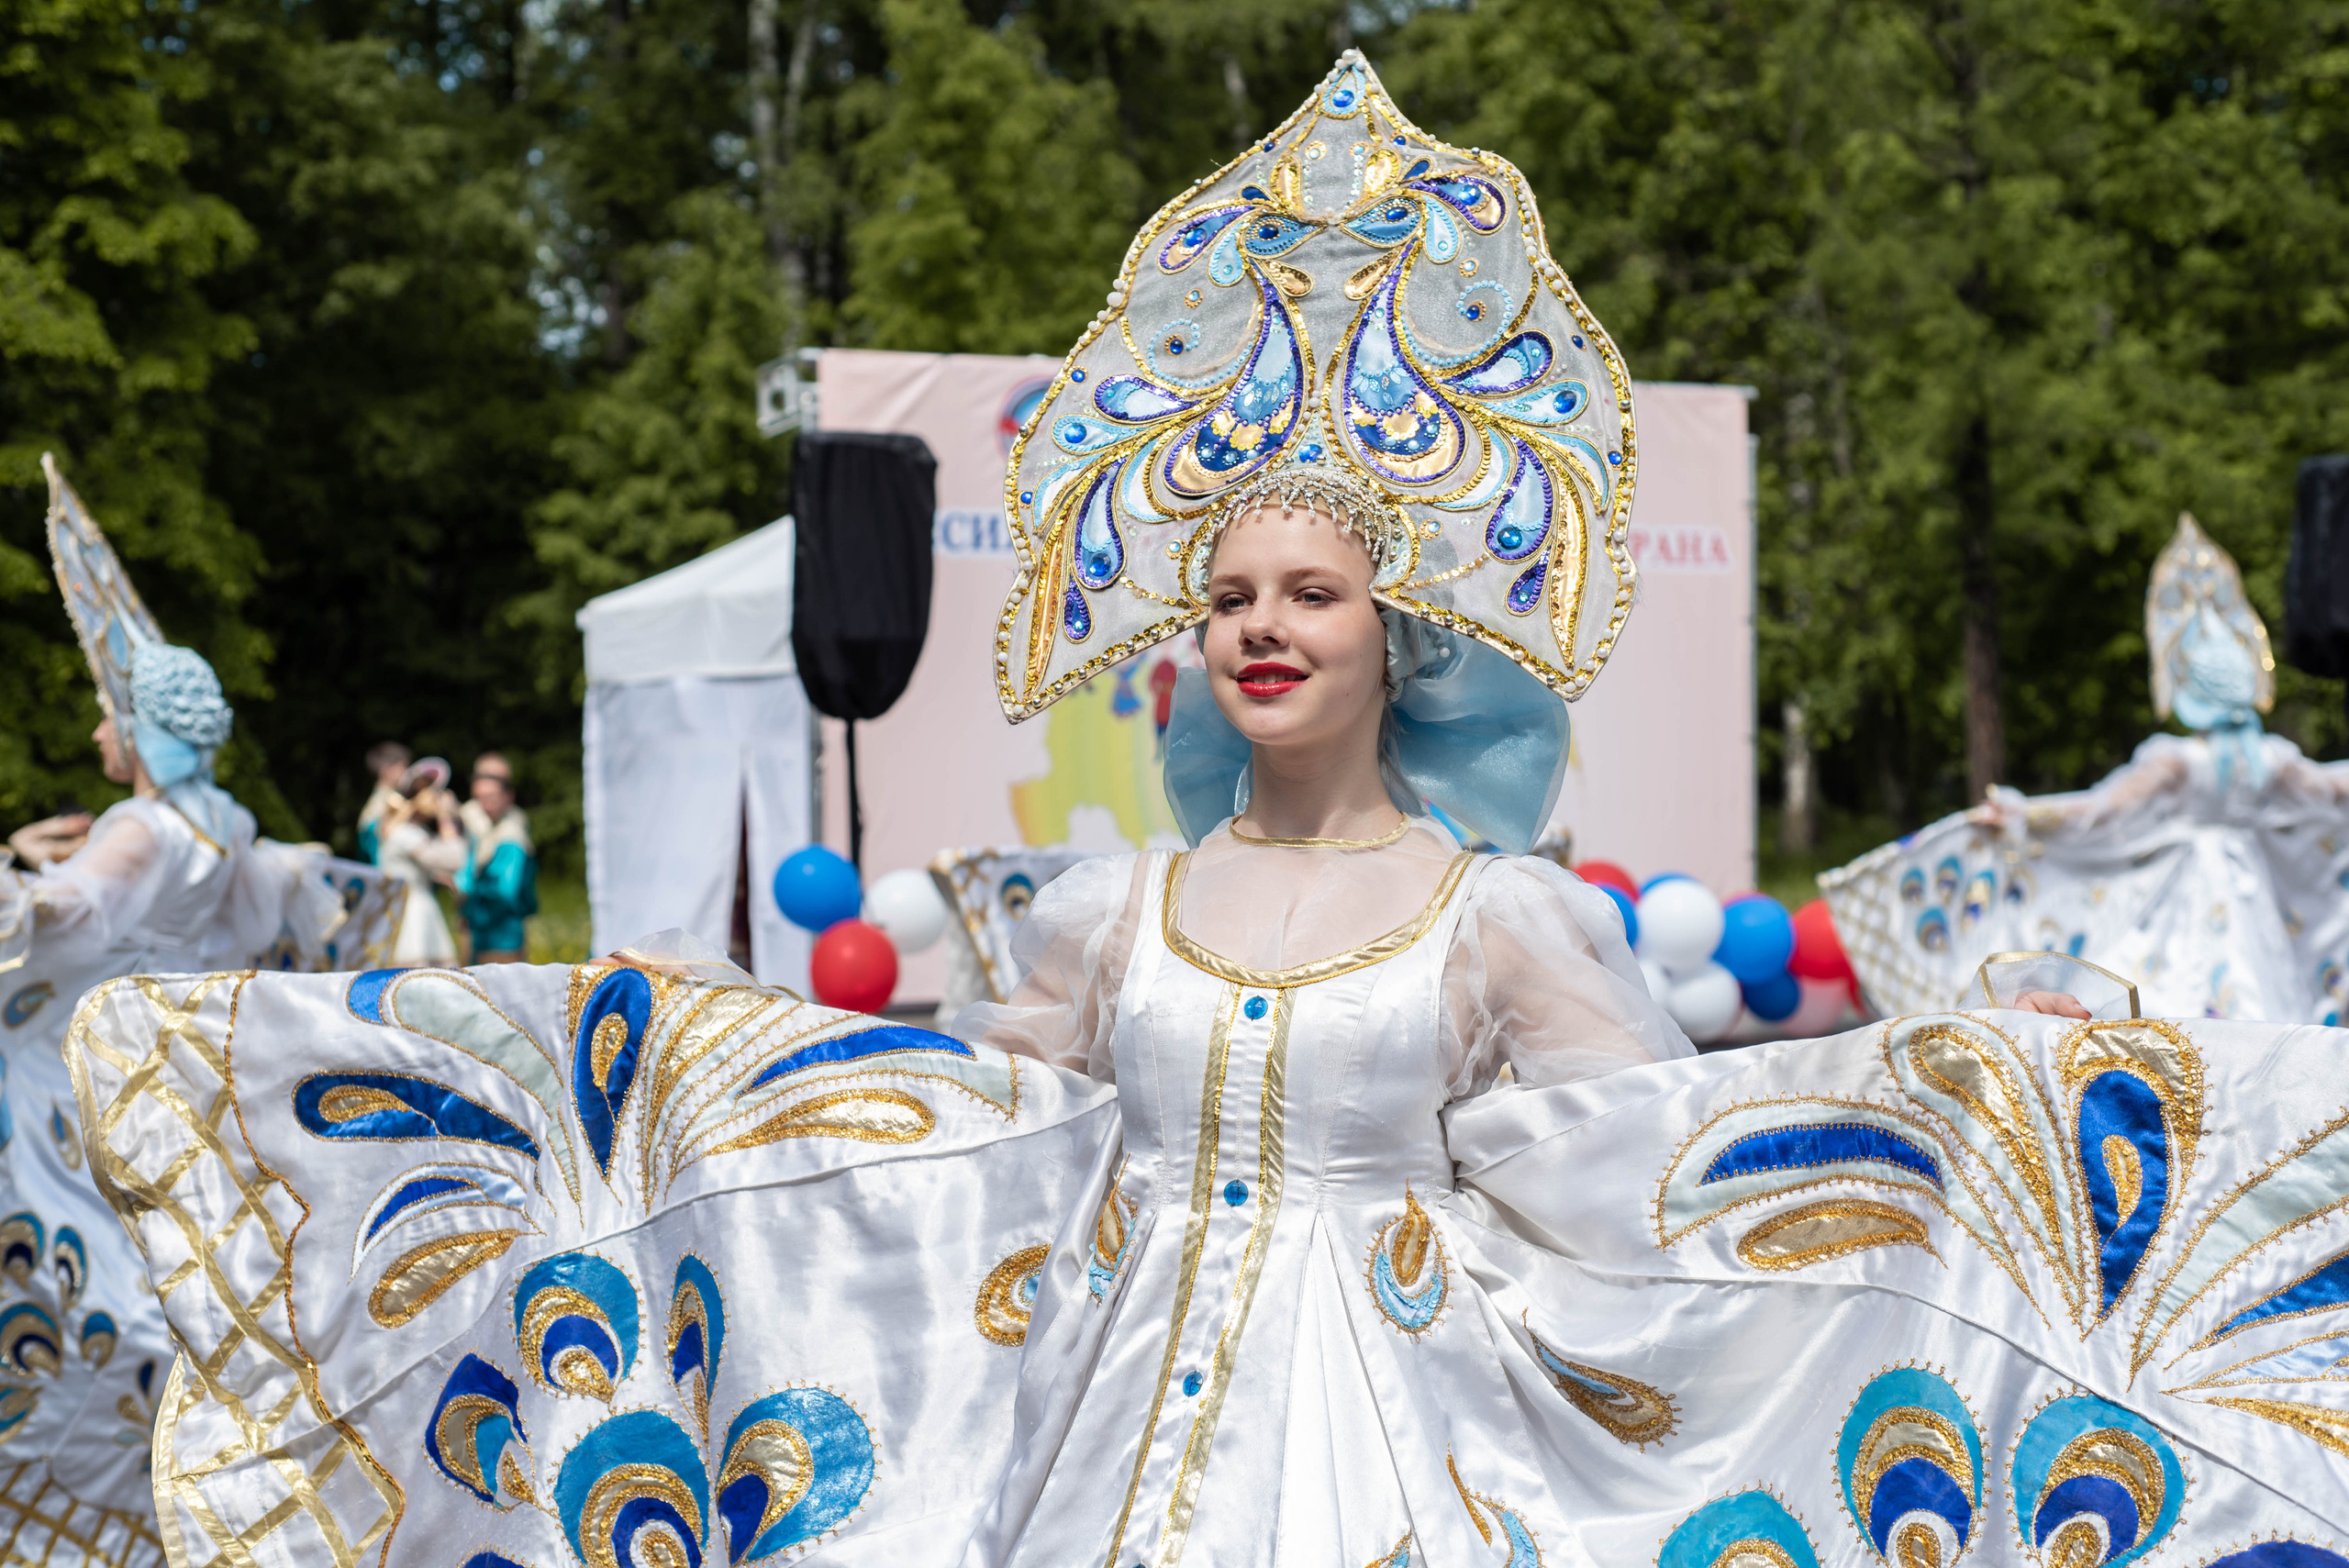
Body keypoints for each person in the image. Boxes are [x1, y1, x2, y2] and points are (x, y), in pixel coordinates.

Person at [64, 57, 2349, 1567]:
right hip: (1087, 1439)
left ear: (1394, 634)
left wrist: (2007, 1157)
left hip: (1397, 1446)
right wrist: (661, 1092)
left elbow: (1680, 1189)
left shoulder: (1496, 920)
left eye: (1311, 593)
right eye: (1228, 593)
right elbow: (941, 1131)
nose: (1262, 628)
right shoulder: (1105, 909)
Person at [1822, 511, 2349, 1022]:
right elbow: (2332, 789)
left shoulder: (2179, 761)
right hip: (2250, 887)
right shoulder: (2273, 761)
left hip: (2192, 888)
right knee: (2259, 987)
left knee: (2178, 988)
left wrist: (2023, 815)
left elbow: (2100, 813)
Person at [374, 756, 465, 964]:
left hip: (406, 912)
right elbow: (454, 859)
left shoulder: (408, 831)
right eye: (436, 793)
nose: (440, 798)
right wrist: (446, 817)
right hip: (413, 919)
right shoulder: (405, 834)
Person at [456, 750, 536, 962]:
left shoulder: (511, 834)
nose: (484, 805)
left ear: (507, 794)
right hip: (480, 926)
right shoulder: (475, 819)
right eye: (480, 798)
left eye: (490, 797)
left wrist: (468, 898)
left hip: (499, 930)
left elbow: (504, 891)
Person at [356, 740, 411, 863]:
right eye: (403, 767)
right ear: (386, 770)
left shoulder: (379, 800)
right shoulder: (387, 802)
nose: (407, 773)